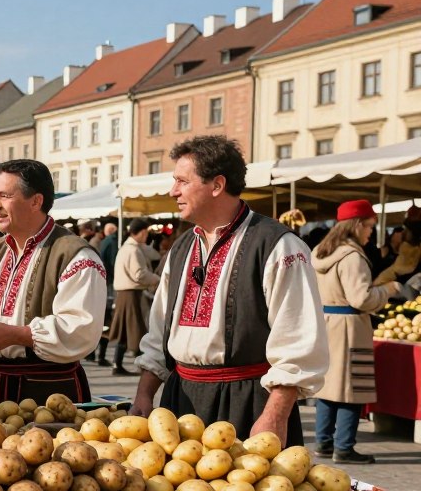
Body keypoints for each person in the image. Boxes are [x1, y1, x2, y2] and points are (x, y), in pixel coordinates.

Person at [130, 136, 327, 446]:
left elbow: (299, 343)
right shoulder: (182, 248)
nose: (173, 191)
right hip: (180, 400)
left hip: (248, 403)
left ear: (217, 185)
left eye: (182, 181)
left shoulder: (278, 245)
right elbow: (159, 334)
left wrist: (274, 416)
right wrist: (144, 394)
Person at [0, 160, 107, 414]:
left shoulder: (75, 255)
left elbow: (81, 329)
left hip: (48, 390)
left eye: (5, 196)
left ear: (36, 201)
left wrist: (19, 335)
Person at [312, 200, 399, 464]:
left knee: (328, 388)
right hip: (350, 327)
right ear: (357, 225)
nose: (371, 232)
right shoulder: (352, 257)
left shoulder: (322, 252)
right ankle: (344, 447)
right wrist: (388, 290)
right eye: (370, 226)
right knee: (351, 389)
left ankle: (324, 443)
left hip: (327, 323)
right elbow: (361, 298)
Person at [107, 218, 160, 376]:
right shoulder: (132, 249)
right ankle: (144, 368)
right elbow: (139, 274)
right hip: (131, 294)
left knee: (126, 331)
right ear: (143, 232)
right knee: (136, 331)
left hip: (126, 294)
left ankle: (118, 364)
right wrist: (157, 279)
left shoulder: (129, 247)